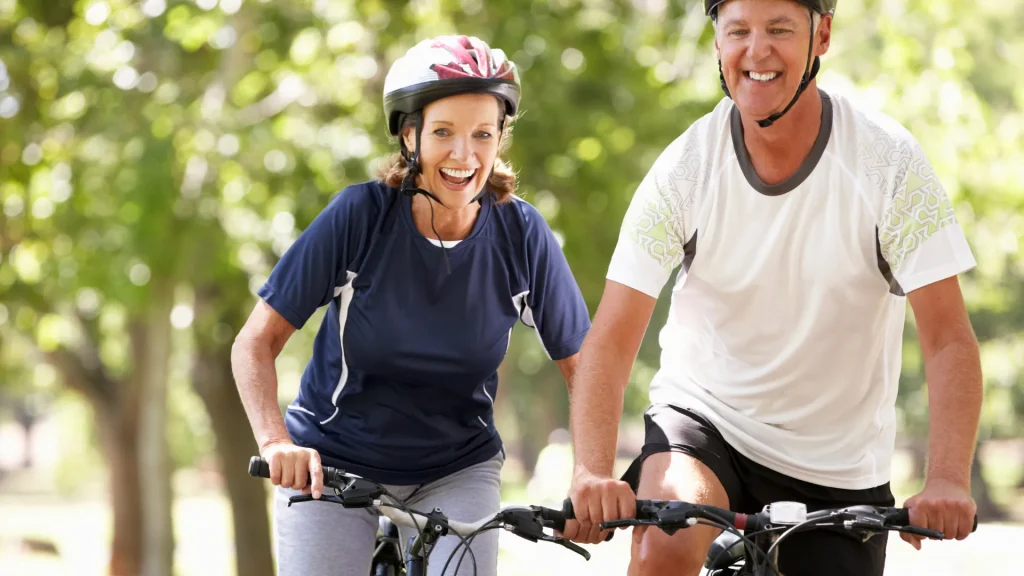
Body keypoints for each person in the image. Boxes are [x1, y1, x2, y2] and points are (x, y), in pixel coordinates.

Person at [561, 1, 981, 575]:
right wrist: (591, 470)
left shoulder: (890, 164)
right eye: (738, 31)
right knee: (668, 537)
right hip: (706, 423)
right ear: (717, 43)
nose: (756, 51)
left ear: (822, 35)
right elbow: (608, 340)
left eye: (779, 30)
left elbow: (949, 339)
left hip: (838, 466)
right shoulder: (685, 167)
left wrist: (948, 479)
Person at [231, 35, 590, 576]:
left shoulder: (522, 234)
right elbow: (254, 343)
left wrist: (589, 471)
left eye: (482, 135)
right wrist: (276, 442)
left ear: (499, 141)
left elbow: (586, 367)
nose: (464, 155)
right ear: (410, 135)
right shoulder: (360, 217)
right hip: (334, 465)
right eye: (443, 132)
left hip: (457, 467)